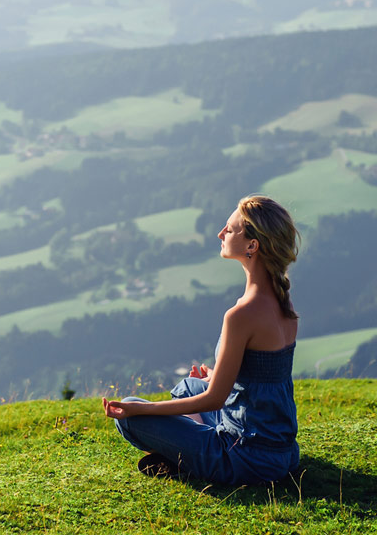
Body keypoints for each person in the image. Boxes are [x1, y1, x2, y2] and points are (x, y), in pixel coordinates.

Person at [103, 195, 301, 485]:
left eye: (230, 229)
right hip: (282, 453)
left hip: (245, 458)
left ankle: (189, 459)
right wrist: (215, 375)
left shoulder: (242, 314)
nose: (221, 233)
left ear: (252, 246)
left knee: (129, 416)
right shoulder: (283, 302)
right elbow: (265, 381)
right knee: (188, 386)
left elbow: (214, 399)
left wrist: (141, 409)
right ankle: (187, 453)